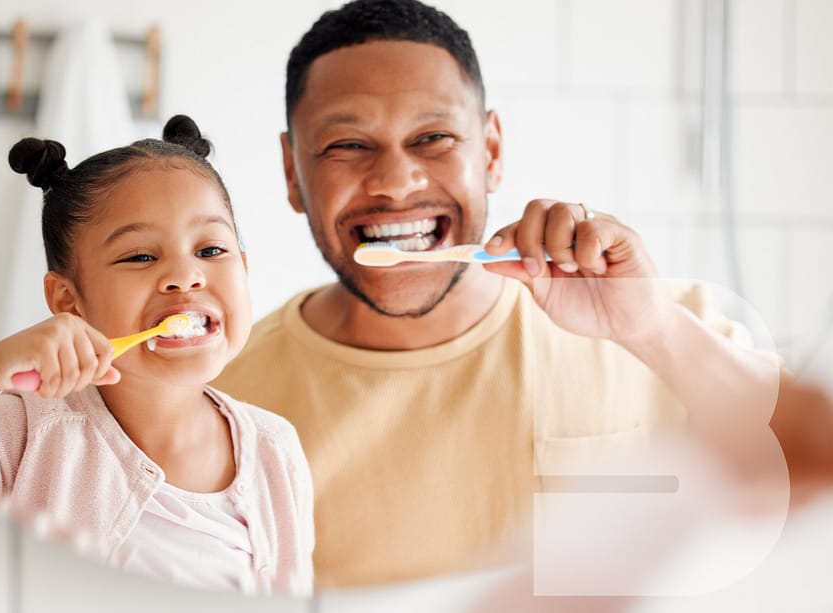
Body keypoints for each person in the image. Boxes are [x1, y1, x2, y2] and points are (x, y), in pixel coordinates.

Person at [211, 0, 817, 591]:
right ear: (293, 173)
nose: (396, 183)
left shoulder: (653, 328)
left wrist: (653, 331)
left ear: (491, 151)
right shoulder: (224, 398)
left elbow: (809, 472)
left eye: (434, 137)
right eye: (348, 145)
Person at [0, 115, 314, 596]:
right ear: (67, 300)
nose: (185, 275)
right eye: (140, 257)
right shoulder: (17, 436)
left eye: (211, 250)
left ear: (245, 268)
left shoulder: (277, 448)